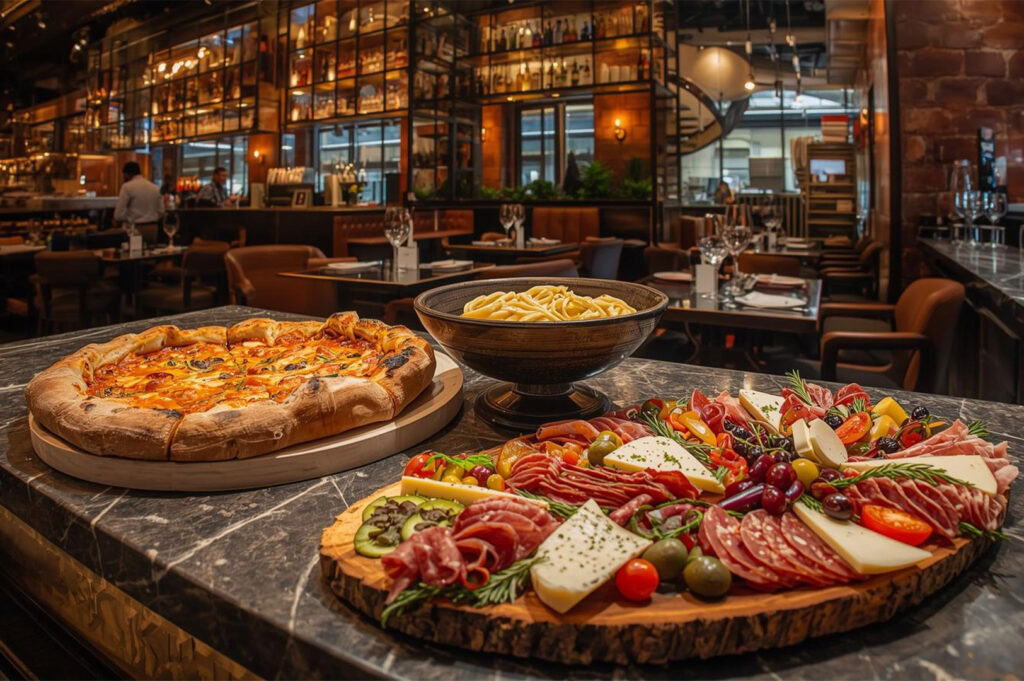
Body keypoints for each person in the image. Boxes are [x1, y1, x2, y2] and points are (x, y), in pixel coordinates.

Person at [114, 161, 163, 232]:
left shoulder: (127, 187)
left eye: (123, 175)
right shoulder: (156, 188)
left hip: (134, 229)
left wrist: (129, 217)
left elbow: (118, 215)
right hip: (153, 229)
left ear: (127, 174)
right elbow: (161, 211)